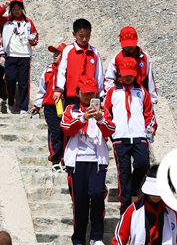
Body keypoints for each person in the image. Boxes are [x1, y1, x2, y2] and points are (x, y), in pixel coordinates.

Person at [61, 76, 115, 245]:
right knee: (80, 201)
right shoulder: (71, 109)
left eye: (91, 93)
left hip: (97, 161)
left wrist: (99, 119)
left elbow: (111, 130)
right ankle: (78, 238)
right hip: (77, 162)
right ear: (78, 93)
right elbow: (67, 129)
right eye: (85, 93)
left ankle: (96, 237)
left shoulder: (103, 110)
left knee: (98, 194)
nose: (88, 96)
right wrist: (84, 117)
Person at [103, 57, 156, 213]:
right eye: (125, 74)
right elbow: (106, 113)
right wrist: (111, 130)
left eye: (131, 74)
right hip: (120, 138)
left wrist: (150, 127)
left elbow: (149, 113)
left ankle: (133, 190)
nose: (128, 77)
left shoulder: (141, 91)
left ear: (135, 74)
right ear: (119, 73)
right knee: (124, 172)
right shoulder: (113, 92)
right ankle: (125, 207)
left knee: (143, 164)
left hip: (140, 136)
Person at [112, 165, 177, 245]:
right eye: (153, 192)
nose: (156, 196)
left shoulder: (171, 213)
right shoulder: (133, 211)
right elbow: (119, 239)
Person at [0, 0, 39, 115]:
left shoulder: (28, 22)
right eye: (14, 8)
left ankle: (23, 108)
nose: (16, 11)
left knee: (24, 83)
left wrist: (33, 41)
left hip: (24, 55)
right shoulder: (7, 20)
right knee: (10, 80)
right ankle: (11, 103)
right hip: (11, 55)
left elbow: (35, 36)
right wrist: (4, 5)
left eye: (19, 8)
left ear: (22, 8)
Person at [30, 43, 66, 172]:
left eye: (58, 53)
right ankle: (55, 160)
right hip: (50, 106)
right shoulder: (48, 70)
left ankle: (65, 159)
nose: (55, 55)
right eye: (54, 53)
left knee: (65, 133)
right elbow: (42, 89)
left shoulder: (68, 70)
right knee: (55, 132)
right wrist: (37, 105)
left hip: (65, 105)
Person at [54, 18, 104, 107]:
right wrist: (59, 89)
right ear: (74, 34)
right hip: (72, 95)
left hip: (91, 96)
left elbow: (99, 74)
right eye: (81, 36)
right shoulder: (68, 50)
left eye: (87, 35)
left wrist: (100, 93)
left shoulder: (94, 52)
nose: (84, 39)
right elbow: (61, 70)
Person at [104, 26, 159, 104]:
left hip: (141, 97)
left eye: (131, 44)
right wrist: (113, 97)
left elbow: (149, 79)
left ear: (137, 40)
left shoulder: (145, 58)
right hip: (122, 98)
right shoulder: (116, 59)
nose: (129, 47)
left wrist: (152, 99)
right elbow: (109, 79)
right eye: (126, 45)